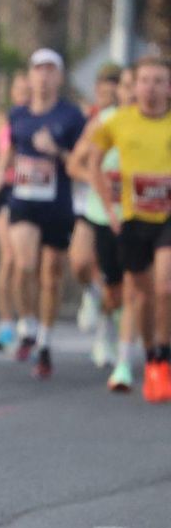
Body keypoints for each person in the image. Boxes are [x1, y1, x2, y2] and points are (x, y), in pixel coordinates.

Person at [0, 48, 87, 380]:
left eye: (51, 70)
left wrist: (58, 151)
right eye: (39, 69)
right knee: (24, 265)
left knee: (51, 273)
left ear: (59, 77)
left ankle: (46, 340)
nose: (44, 76)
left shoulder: (72, 116)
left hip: (57, 202)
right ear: (30, 75)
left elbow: (81, 161)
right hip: (22, 200)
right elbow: (9, 152)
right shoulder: (18, 114)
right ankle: (28, 324)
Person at [89, 56, 171, 402]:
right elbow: (92, 161)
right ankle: (151, 352)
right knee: (141, 294)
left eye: (159, 81)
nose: (150, 88)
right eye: (145, 80)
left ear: (169, 87)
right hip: (133, 219)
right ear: (134, 86)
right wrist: (109, 209)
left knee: (166, 288)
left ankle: (162, 362)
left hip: (167, 218)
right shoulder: (117, 122)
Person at [71, 68, 134, 391]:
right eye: (128, 86)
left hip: (140, 215)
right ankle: (95, 302)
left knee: (129, 288)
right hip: (99, 211)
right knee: (82, 264)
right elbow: (76, 164)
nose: (135, 92)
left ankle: (118, 339)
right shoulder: (104, 121)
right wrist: (99, 183)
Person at [0, 71, 30, 352]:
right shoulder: (0, 123)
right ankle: (6, 322)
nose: (23, 93)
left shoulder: (46, 121)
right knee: (10, 258)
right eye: (19, 88)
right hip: (7, 194)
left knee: (28, 263)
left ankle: (28, 317)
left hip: (33, 195)